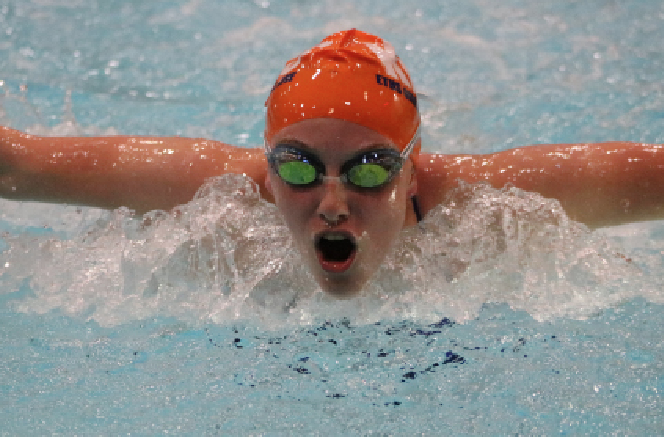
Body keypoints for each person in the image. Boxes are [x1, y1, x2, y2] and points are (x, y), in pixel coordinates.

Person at [1, 29, 663, 297]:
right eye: (298, 167)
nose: (333, 201)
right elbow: (20, 166)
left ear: (411, 170)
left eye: (371, 168)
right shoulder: (225, 192)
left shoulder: (482, 204)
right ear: (268, 165)